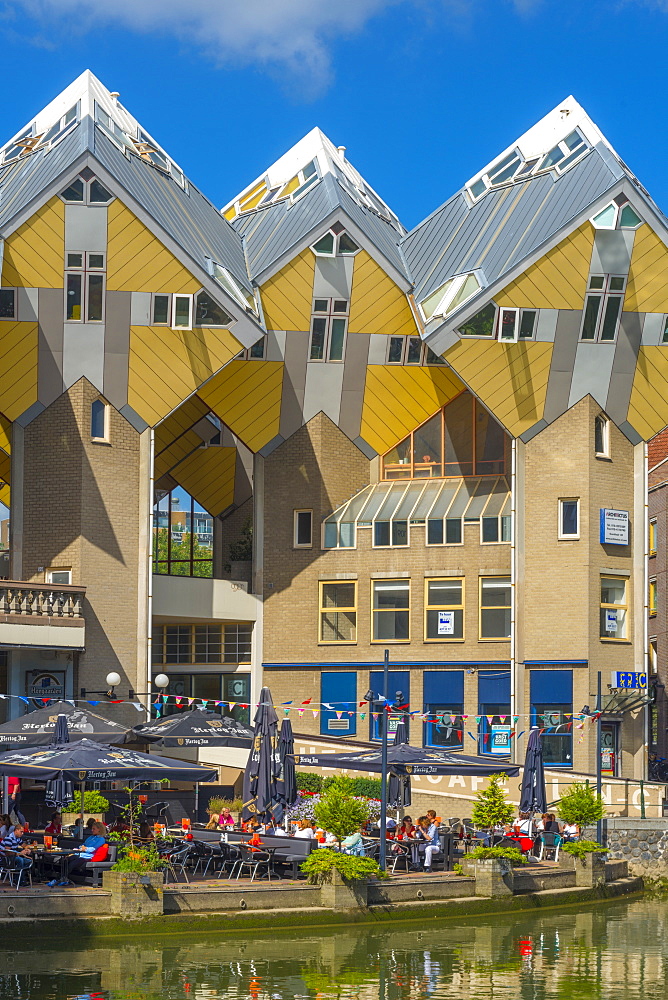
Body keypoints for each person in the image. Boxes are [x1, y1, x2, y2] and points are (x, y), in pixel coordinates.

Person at [47, 821, 107, 887]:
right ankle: (62, 879)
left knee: (73, 863)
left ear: (99, 829)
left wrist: (85, 848)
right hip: (80, 854)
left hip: (88, 857)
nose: (92, 830)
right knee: (65, 860)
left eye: (94, 829)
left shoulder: (101, 839)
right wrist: (82, 848)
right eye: (92, 829)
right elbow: (82, 845)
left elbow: (93, 849)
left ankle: (61, 879)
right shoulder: (90, 837)